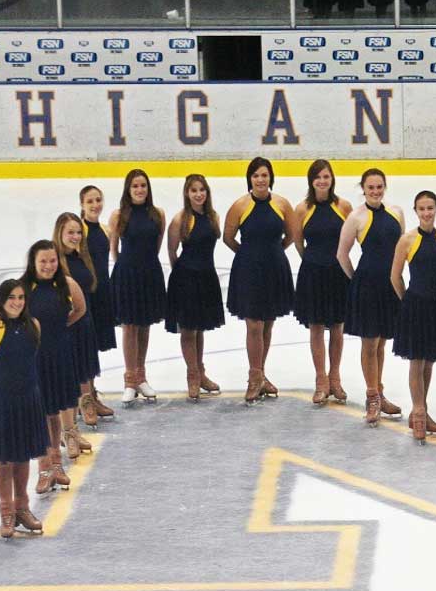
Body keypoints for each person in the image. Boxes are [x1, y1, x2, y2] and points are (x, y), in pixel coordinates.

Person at [0, 279, 47, 538]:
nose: (17, 302)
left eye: (21, 298)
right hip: (1, 401)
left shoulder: (33, 326)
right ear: (2, 301)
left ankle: (22, 507)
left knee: (23, 455)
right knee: (4, 458)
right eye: (12, 297)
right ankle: (6, 510)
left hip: (28, 399)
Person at [224, 157, 296, 404]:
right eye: (256, 175)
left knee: (267, 324)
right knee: (253, 324)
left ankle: (261, 375)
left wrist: (273, 252)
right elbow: (228, 237)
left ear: (271, 177)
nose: (261, 179)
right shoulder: (240, 206)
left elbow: (291, 236)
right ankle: (254, 378)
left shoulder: (282, 204)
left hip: (274, 269)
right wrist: (249, 255)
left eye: (264, 175)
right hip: (248, 271)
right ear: (250, 179)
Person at [337, 168, 405, 425]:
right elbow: (342, 254)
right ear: (363, 189)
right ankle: (372, 397)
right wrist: (356, 279)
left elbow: (401, 248)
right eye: (370, 188)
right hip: (367, 285)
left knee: (381, 343)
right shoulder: (356, 217)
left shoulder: (396, 213)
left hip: (388, 285)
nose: (375, 191)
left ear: (384, 187)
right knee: (369, 342)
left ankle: (379, 389)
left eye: (379, 187)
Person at [390, 191, 436, 444]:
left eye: (430, 208)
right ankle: (417, 412)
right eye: (421, 209)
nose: (426, 213)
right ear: (415, 211)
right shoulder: (407, 240)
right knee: (416, 361)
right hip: (415, 306)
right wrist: (407, 299)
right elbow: (395, 276)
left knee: (429, 361)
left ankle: (423, 410)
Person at [22, 240, 86, 495]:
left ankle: (57, 465)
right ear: (33, 263)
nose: (48, 266)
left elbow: (79, 310)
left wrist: (58, 330)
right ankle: (44, 468)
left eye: (52, 260)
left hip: (59, 355)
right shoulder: (24, 289)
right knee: (40, 414)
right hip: (34, 358)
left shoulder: (66, 285)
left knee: (54, 412)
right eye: (43, 261)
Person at [294, 159, 353, 405]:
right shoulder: (302, 209)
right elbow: (298, 243)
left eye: (326, 176)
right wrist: (313, 261)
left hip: (337, 273)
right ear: (311, 180)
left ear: (332, 179)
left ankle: (335, 378)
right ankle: (321, 380)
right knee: (316, 327)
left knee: (337, 327)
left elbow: (351, 238)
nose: (322, 181)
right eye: (317, 177)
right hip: (313, 274)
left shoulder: (343, 206)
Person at [108, 169, 166, 405]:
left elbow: (158, 243)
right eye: (135, 186)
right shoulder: (119, 215)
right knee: (130, 326)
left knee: (144, 326)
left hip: (149, 272)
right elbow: (113, 248)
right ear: (128, 190)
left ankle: (141, 376)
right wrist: (125, 266)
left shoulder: (157, 214)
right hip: (127, 273)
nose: (140, 190)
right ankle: (130, 380)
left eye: (143, 185)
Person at [166, 174, 225, 401]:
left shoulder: (213, 217)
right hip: (186, 279)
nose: (199, 194)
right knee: (188, 330)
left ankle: (200, 373)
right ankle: (192, 374)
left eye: (202, 190)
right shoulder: (180, 219)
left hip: (207, 278)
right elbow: (172, 252)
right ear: (186, 194)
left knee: (200, 328)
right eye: (194, 190)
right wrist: (183, 274)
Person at [53, 213, 100, 461]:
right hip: (69, 328)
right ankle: (68, 430)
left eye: (78, 232)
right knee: (67, 383)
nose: (75, 237)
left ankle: (86, 403)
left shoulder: (81, 257)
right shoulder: (57, 264)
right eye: (70, 232)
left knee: (83, 371)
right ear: (59, 233)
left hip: (85, 323)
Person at [78, 185, 117, 419]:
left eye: (98, 200)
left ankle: (91, 394)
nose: (95, 205)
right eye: (90, 201)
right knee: (84, 349)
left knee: (93, 349)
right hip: (85, 297)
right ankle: (85, 401)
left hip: (102, 295)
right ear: (82, 204)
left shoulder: (104, 230)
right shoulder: (78, 231)